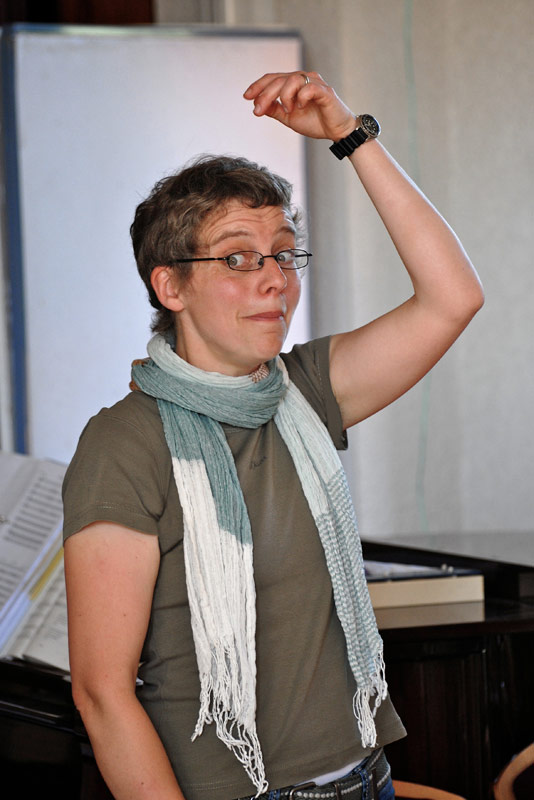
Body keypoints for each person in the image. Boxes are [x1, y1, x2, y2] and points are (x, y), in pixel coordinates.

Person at [62, 70, 484, 800]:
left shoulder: (306, 391)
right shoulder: (125, 443)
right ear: (170, 287)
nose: (274, 280)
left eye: (284, 253)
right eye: (236, 258)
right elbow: (101, 695)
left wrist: (348, 135)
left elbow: (454, 296)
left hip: (366, 778)